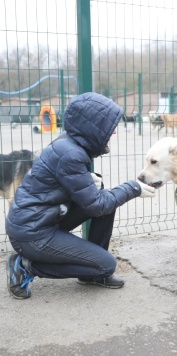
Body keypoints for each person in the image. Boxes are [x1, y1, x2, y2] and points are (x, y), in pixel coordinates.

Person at [5, 92, 155, 299]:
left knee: (106, 198)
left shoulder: (69, 144)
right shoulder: (71, 154)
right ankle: (26, 266)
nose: (112, 133)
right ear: (93, 126)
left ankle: (90, 272)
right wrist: (133, 188)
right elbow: (96, 206)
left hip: (40, 220)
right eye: (109, 127)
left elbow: (89, 198)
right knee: (107, 264)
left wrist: (88, 180)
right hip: (32, 234)